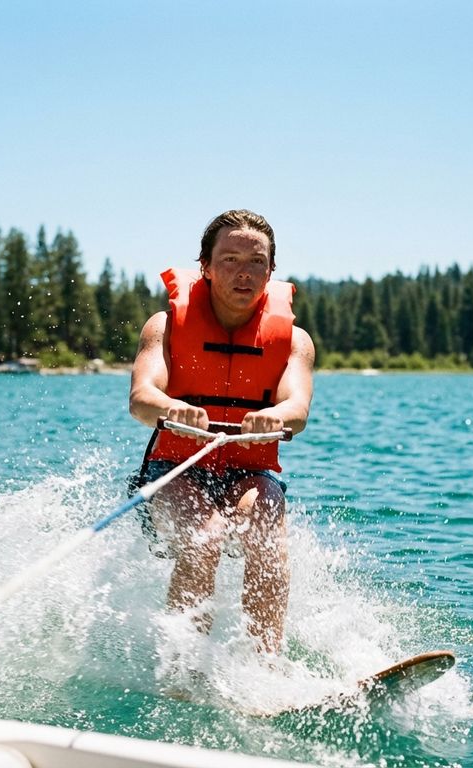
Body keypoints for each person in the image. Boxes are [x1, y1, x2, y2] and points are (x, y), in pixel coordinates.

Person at [128, 209, 315, 655]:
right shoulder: (167, 325)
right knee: (205, 536)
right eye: (229, 260)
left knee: (266, 535)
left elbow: (298, 408)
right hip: (174, 470)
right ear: (206, 267)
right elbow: (141, 397)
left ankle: (264, 671)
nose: (244, 273)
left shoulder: (294, 341)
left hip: (247, 474)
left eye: (257, 262)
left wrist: (276, 418)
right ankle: (181, 670)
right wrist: (172, 407)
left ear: (271, 271)